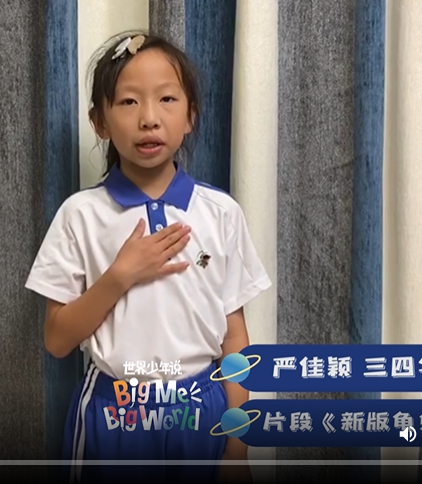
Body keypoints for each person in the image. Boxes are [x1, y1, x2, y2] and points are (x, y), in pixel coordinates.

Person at [24, 31, 271, 483]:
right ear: (99, 121)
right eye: (128, 102)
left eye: (167, 99)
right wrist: (120, 275)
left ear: (191, 115)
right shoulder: (80, 215)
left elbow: (234, 337)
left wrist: (238, 446)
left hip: (203, 412)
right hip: (114, 416)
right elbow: (57, 340)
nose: (149, 119)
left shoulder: (220, 213)